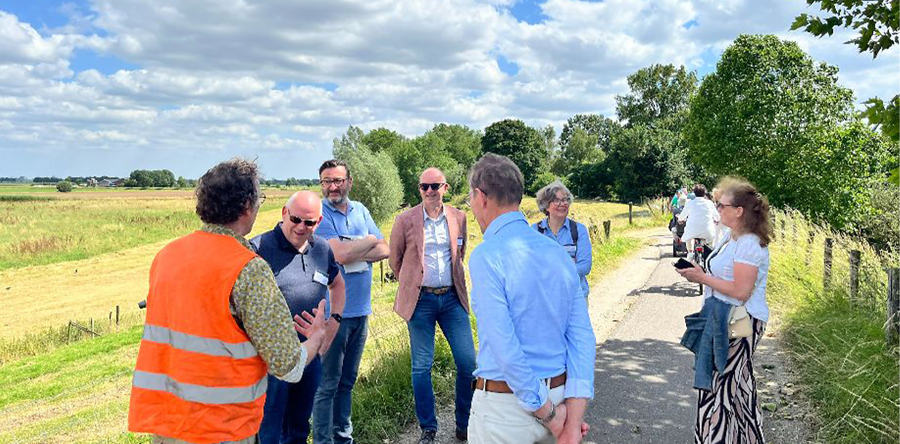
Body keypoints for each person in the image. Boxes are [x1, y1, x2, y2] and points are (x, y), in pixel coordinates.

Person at [128, 158, 326, 444]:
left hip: (169, 424)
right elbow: (289, 365)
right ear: (248, 206)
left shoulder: (167, 256)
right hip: (222, 427)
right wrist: (317, 338)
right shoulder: (247, 267)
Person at [465, 153, 596, 444]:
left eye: (470, 199)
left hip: (506, 410)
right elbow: (581, 338)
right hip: (558, 399)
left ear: (480, 196)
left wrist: (548, 413)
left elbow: (504, 346)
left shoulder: (487, 256)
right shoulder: (558, 255)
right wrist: (571, 421)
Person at [676, 178, 772, 444]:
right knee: (738, 387)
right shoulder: (732, 238)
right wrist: (700, 273)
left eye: (721, 205)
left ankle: (715, 438)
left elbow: (741, 291)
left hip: (741, 321)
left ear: (739, 210)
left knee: (720, 388)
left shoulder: (749, 244)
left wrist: (702, 279)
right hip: (726, 317)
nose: (717, 209)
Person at [251, 191, 347, 444]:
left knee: (299, 429)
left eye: (309, 222)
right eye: (295, 219)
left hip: (309, 358)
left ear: (319, 222)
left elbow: (337, 285)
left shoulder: (322, 249)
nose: (301, 227)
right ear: (284, 213)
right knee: (269, 430)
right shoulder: (258, 249)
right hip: (271, 362)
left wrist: (332, 323)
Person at [389, 167, 476, 443]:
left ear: (445, 188)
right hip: (421, 300)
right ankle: (428, 427)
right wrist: (413, 281)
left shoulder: (459, 217)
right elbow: (396, 260)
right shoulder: (405, 220)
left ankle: (464, 423)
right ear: (419, 189)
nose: (429, 191)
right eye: (424, 186)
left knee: (468, 363)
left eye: (434, 186)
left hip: (452, 298)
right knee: (421, 366)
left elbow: (460, 252)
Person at [313, 159, 390, 444]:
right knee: (327, 385)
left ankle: (343, 438)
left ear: (349, 182)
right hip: (334, 313)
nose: (332, 186)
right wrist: (367, 240)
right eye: (326, 181)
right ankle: (323, 441)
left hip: (361, 310)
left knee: (347, 383)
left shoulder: (361, 210)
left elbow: (384, 249)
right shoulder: (319, 214)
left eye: (337, 180)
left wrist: (358, 245)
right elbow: (339, 256)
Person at [532, 179, 592, 298]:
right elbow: (532, 266)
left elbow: (585, 266)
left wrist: (552, 272)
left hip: (576, 297)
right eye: (556, 200)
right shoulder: (535, 231)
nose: (563, 204)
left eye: (565, 200)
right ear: (546, 206)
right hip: (545, 299)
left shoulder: (579, 230)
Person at [677, 184, 718, 251]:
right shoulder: (709, 203)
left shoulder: (690, 203)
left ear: (694, 193)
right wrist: (716, 220)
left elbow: (682, 216)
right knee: (710, 245)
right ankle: (708, 254)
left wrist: (680, 219)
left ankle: (690, 253)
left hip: (692, 230)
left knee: (689, 238)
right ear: (704, 193)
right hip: (707, 231)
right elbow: (717, 217)